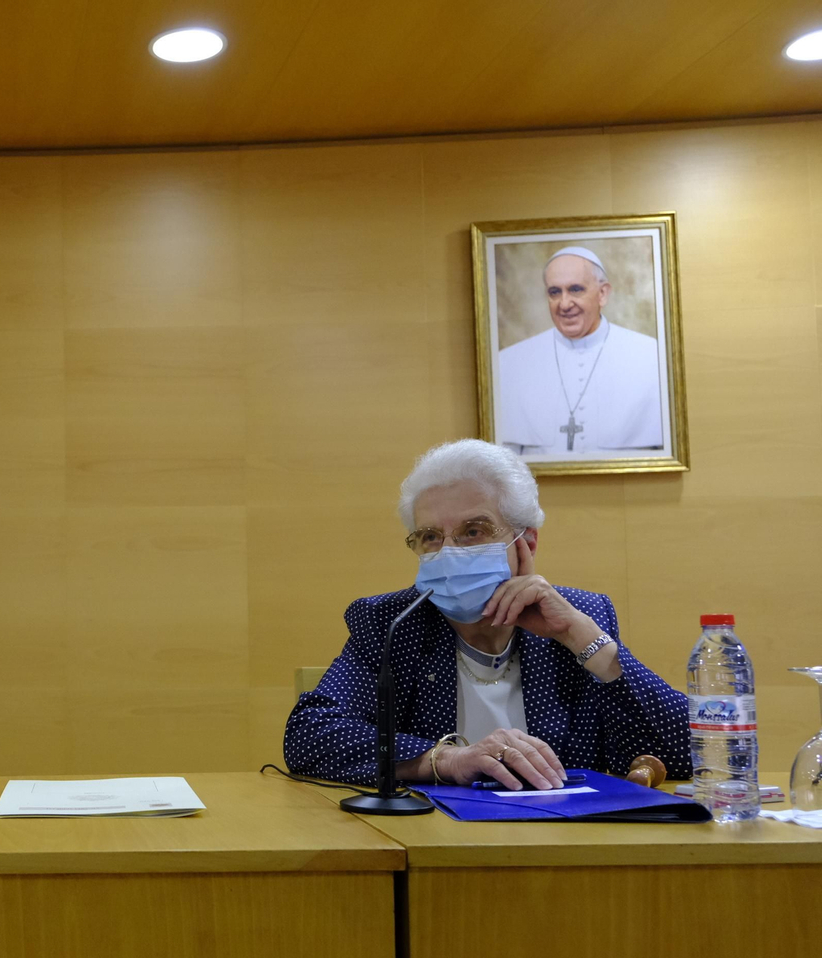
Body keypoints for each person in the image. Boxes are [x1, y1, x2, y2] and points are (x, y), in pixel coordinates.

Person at [283, 439, 689, 789]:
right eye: (430, 537)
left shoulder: (581, 617)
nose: (450, 552)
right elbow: (309, 736)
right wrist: (446, 760)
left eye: (473, 531)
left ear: (525, 541)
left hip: (568, 847)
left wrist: (582, 639)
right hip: (434, 845)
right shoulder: (391, 623)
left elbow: (690, 749)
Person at [495, 246, 664, 455]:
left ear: (602, 294)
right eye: (555, 292)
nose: (564, 304)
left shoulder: (652, 357)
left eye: (575, 289)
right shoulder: (510, 363)